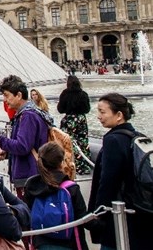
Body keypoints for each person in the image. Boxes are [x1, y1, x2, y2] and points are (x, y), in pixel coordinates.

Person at [87, 93, 152, 250]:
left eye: (102, 112)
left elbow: (107, 181)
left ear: (119, 115)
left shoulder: (113, 140)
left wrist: (98, 213)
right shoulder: (137, 137)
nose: (98, 116)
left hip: (118, 215)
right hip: (139, 210)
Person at [24, 142, 89, 250]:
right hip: (69, 243)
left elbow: (27, 213)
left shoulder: (31, 185)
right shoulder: (71, 188)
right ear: (62, 162)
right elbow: (83, 217)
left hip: (40, 242)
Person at [0, 74, 50, 197]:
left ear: (19, 95)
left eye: (6, 95)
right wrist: (8, 152)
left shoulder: (27, 116)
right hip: (30, 173)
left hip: (29, 175)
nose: (4, 100)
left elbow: (22, 147)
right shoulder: (27, 114)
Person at [57, 76, 92, 175]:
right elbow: (87, 109)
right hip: (81, 120)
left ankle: (70, 165)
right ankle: (83, 166)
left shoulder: (64, 94)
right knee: (83, 142)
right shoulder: (83, 94)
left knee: (68, 143)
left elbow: (60, 109)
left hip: (69, 120)